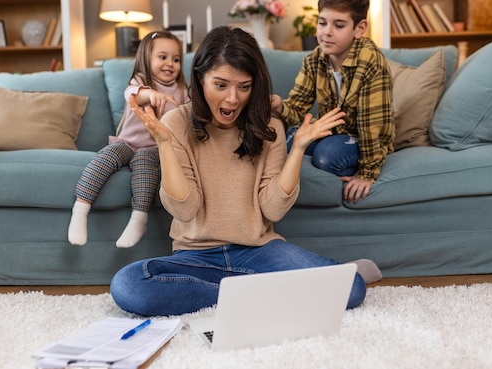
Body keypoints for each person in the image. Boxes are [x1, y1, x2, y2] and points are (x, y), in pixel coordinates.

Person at [110, 26, 379, 317]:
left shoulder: (270, 126)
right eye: (221, 85)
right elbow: (185, 210)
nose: (233, 99)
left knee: (352, 288)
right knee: (128, 286)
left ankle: (244, 293)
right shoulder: (175, 122)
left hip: (259, 250)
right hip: (196, 256)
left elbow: (273, 210)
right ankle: (261, 291)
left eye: (244, 86)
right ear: (201, 80)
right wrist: (163, 142)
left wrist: (298, 148)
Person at [271, 0, 395, 204]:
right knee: (286, 141)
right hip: (332, 132)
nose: (326, 33)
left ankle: (341, 167)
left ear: (359, 28)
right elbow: (297, 108)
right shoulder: (314, 60)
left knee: (327, 156)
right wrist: (280, 105)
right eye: (322, 23)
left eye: (338, 25)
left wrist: (367, 173)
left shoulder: (370, 63)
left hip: (363, 137)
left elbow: (371, 125)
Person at [68, 31, 190, 248]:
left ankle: (139, 218)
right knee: (106, 156)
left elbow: (191, 114)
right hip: (127, 143)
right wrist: (152, 95)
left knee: (144, 162)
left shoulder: (181, 91)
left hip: (155, 148)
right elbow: (133, 94)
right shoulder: (140, 82)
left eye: (176, 59)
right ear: (146, 58)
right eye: (163, 57)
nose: (170, 63)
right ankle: (80, 210)